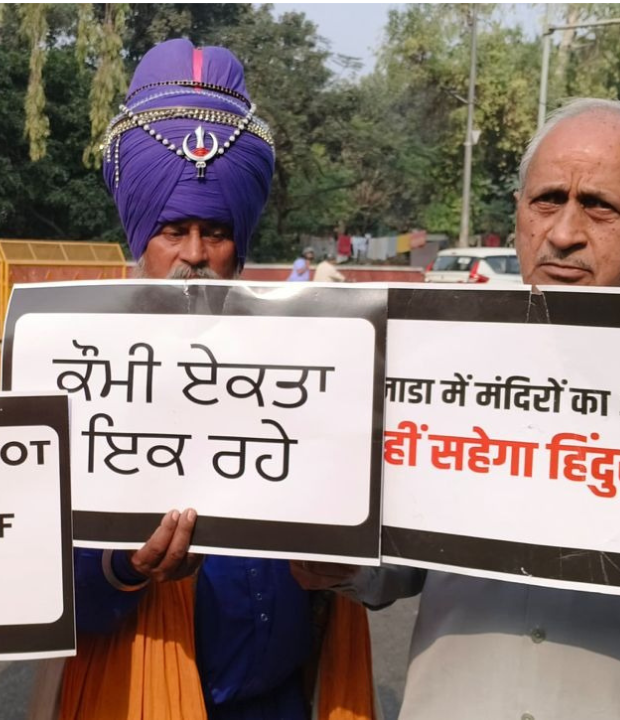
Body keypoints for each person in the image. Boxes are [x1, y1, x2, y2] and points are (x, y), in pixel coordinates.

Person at [294, 98, 620, 720]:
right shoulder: (438, 359)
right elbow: (386, 571)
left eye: (599, 206)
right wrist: (333, 563)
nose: (564, 233)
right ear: (520, 210)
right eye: (547, 199)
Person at [38, 39, 376, 720]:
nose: (194, 255)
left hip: (282, 699)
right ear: (139, 231)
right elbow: (36, 576)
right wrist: (125, 567)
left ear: (241, 236)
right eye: (173, 229)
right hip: (138, 695)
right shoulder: (75, 364)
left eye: (215, 231)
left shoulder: (308, 361)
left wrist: (343, 571)